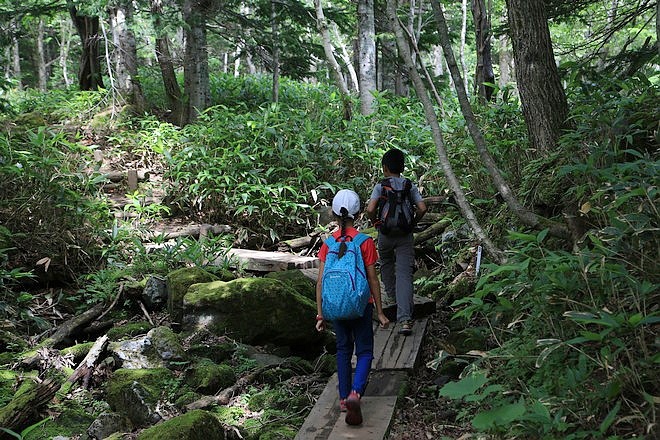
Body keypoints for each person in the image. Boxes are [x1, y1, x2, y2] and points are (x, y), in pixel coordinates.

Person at [315, 189, 390, 426]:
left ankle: (344, 399)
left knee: (343, 350)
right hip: (360, 305)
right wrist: (379, 310)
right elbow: (372, 279)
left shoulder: (327, 244)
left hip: (336, 306)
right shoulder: (365, 242)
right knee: (365, 351)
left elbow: (320, 282)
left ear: (334, 215)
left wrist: (320, 314)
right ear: (357, 215)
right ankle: (356, 393)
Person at [366, 148, 427, 336]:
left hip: (385, 234)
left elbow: (370, 209)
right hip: (405, 236)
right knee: (404, 274)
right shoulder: (409, 185)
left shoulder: (381, 186)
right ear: (401, 167)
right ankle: (405, 320)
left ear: (385, 168)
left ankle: (392, 295)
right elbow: (422, 208)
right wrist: (412, 223)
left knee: (385, 262)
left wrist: (375, 222)